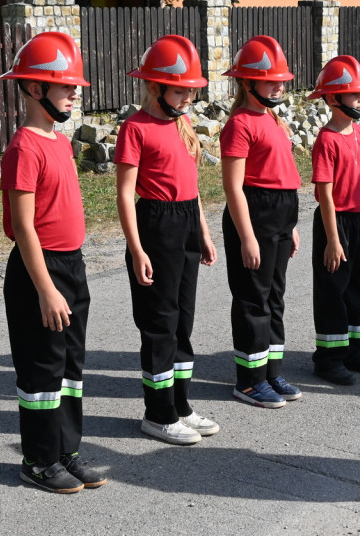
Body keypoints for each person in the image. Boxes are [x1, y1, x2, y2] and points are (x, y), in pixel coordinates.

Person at [0, 31, 107, 494]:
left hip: (71, 265)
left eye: (74, 85)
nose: (75, 91)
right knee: (42, 371)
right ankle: (39, 461)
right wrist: (45, 289)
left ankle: (66, 452)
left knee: (69, 368)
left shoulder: (60, 141)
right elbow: (24, 228)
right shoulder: (24, 147)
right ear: (34, 88)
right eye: (66, 85)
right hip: (37, 271)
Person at [116, 35, 219, 445]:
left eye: (192, 91)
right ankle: (157, 414)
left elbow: (191, 188)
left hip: (186, 224)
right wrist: (138, 248)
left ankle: (180, 405)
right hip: (154, 225)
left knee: (183, 320)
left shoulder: (183, 123)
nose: (189, 98)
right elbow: (125, 193)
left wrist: (204, 233)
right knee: (159, 324)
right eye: (181, 91)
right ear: (156, 87)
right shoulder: (135, 127)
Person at [221, 35, 303, 408]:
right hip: (255, 213)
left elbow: (282, 171)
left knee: (275, 297)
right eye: (271, 80)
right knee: (253, 299)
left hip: (281, 214)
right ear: (247, 82)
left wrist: (291, 226)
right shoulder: (239, 124)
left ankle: (271, 371)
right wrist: (247, 237)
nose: (279, 85)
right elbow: (233, 187)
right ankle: (250, 381)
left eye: (281, 80)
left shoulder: (269, 115)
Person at [306, 55, 360, 386]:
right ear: (333, 98)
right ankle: (328, 359)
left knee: (355, 289)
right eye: (356, 94)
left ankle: (353, 351)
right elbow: (325, 194)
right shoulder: (326, 141)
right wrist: (333, 240)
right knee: (332, 292)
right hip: (333, 224)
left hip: (358, 223)